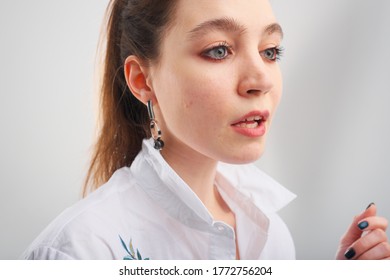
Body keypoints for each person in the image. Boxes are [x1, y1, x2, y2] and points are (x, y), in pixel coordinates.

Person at [22, 0, 390, 260]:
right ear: (141, 80)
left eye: (270, 51)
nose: (260, 79)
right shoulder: (80, 252)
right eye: (218, 51)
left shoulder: (272, 237)